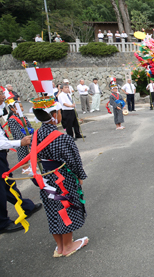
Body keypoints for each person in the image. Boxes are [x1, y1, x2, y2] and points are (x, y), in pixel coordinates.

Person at [30, 98, 89, 256]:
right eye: (59, 112)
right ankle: (68, 246)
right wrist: (79, 176)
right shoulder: (62, 138)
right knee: (66, 208)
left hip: (45, 179)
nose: (61, 114)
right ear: (54, 115)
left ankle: (60, 246)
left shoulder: (35, 135)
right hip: (62, 178)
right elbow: (74, 161)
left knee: (53, 210)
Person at [0, 91, 41, 234]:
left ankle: (25, 206)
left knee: (7, 184)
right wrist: (20, 142)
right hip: (8, 147)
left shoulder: (13, 115)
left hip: (4, 153)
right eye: (1, 93)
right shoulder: (11, 118)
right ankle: (2, 222)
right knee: (2, 187)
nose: (3, 96)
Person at [5, 98, 33, 174]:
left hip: (28, 137)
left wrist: (31, 133)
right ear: (12, 109)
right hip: (21, 139)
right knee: (22, 153)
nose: (22, 109)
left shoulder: (24, 117)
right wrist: (23, 139)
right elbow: (16, 133)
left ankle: (28, 165)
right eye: (19, 107)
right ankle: (24, 167)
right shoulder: (12, 119)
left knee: (28, 152)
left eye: (21, 106)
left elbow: (29, 126)